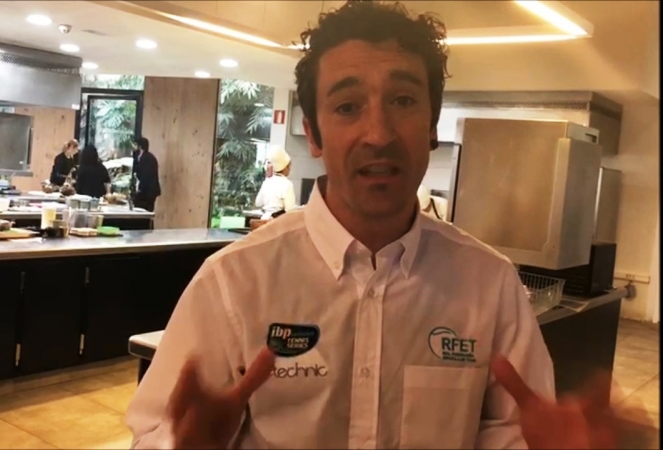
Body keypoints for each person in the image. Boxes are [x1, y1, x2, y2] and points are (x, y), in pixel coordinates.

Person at [126, 2, 636, 449]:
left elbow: (508, 433)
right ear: (314, 134)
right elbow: (154, 432)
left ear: (432, 125)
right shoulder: (233, 282)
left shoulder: (491, 284)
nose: (379, 133)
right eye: (348, 106)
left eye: (403, 101)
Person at [254, 145, 296, 219]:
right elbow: (290, 210)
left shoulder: (267, 182)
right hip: (278, 222)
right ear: (285, 167)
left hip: (264, 220)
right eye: (289, 166)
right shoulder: (287, 184)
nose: (290, 169)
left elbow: (258, 203)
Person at [131, 137, 160, 212]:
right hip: (143, 190)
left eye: (135, 145)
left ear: (140, 146)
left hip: (148, 191)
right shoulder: (138, 157)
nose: (133, 147)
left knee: (145, 210)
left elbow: (146, 176)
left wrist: (140, 189)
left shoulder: (149, 159)